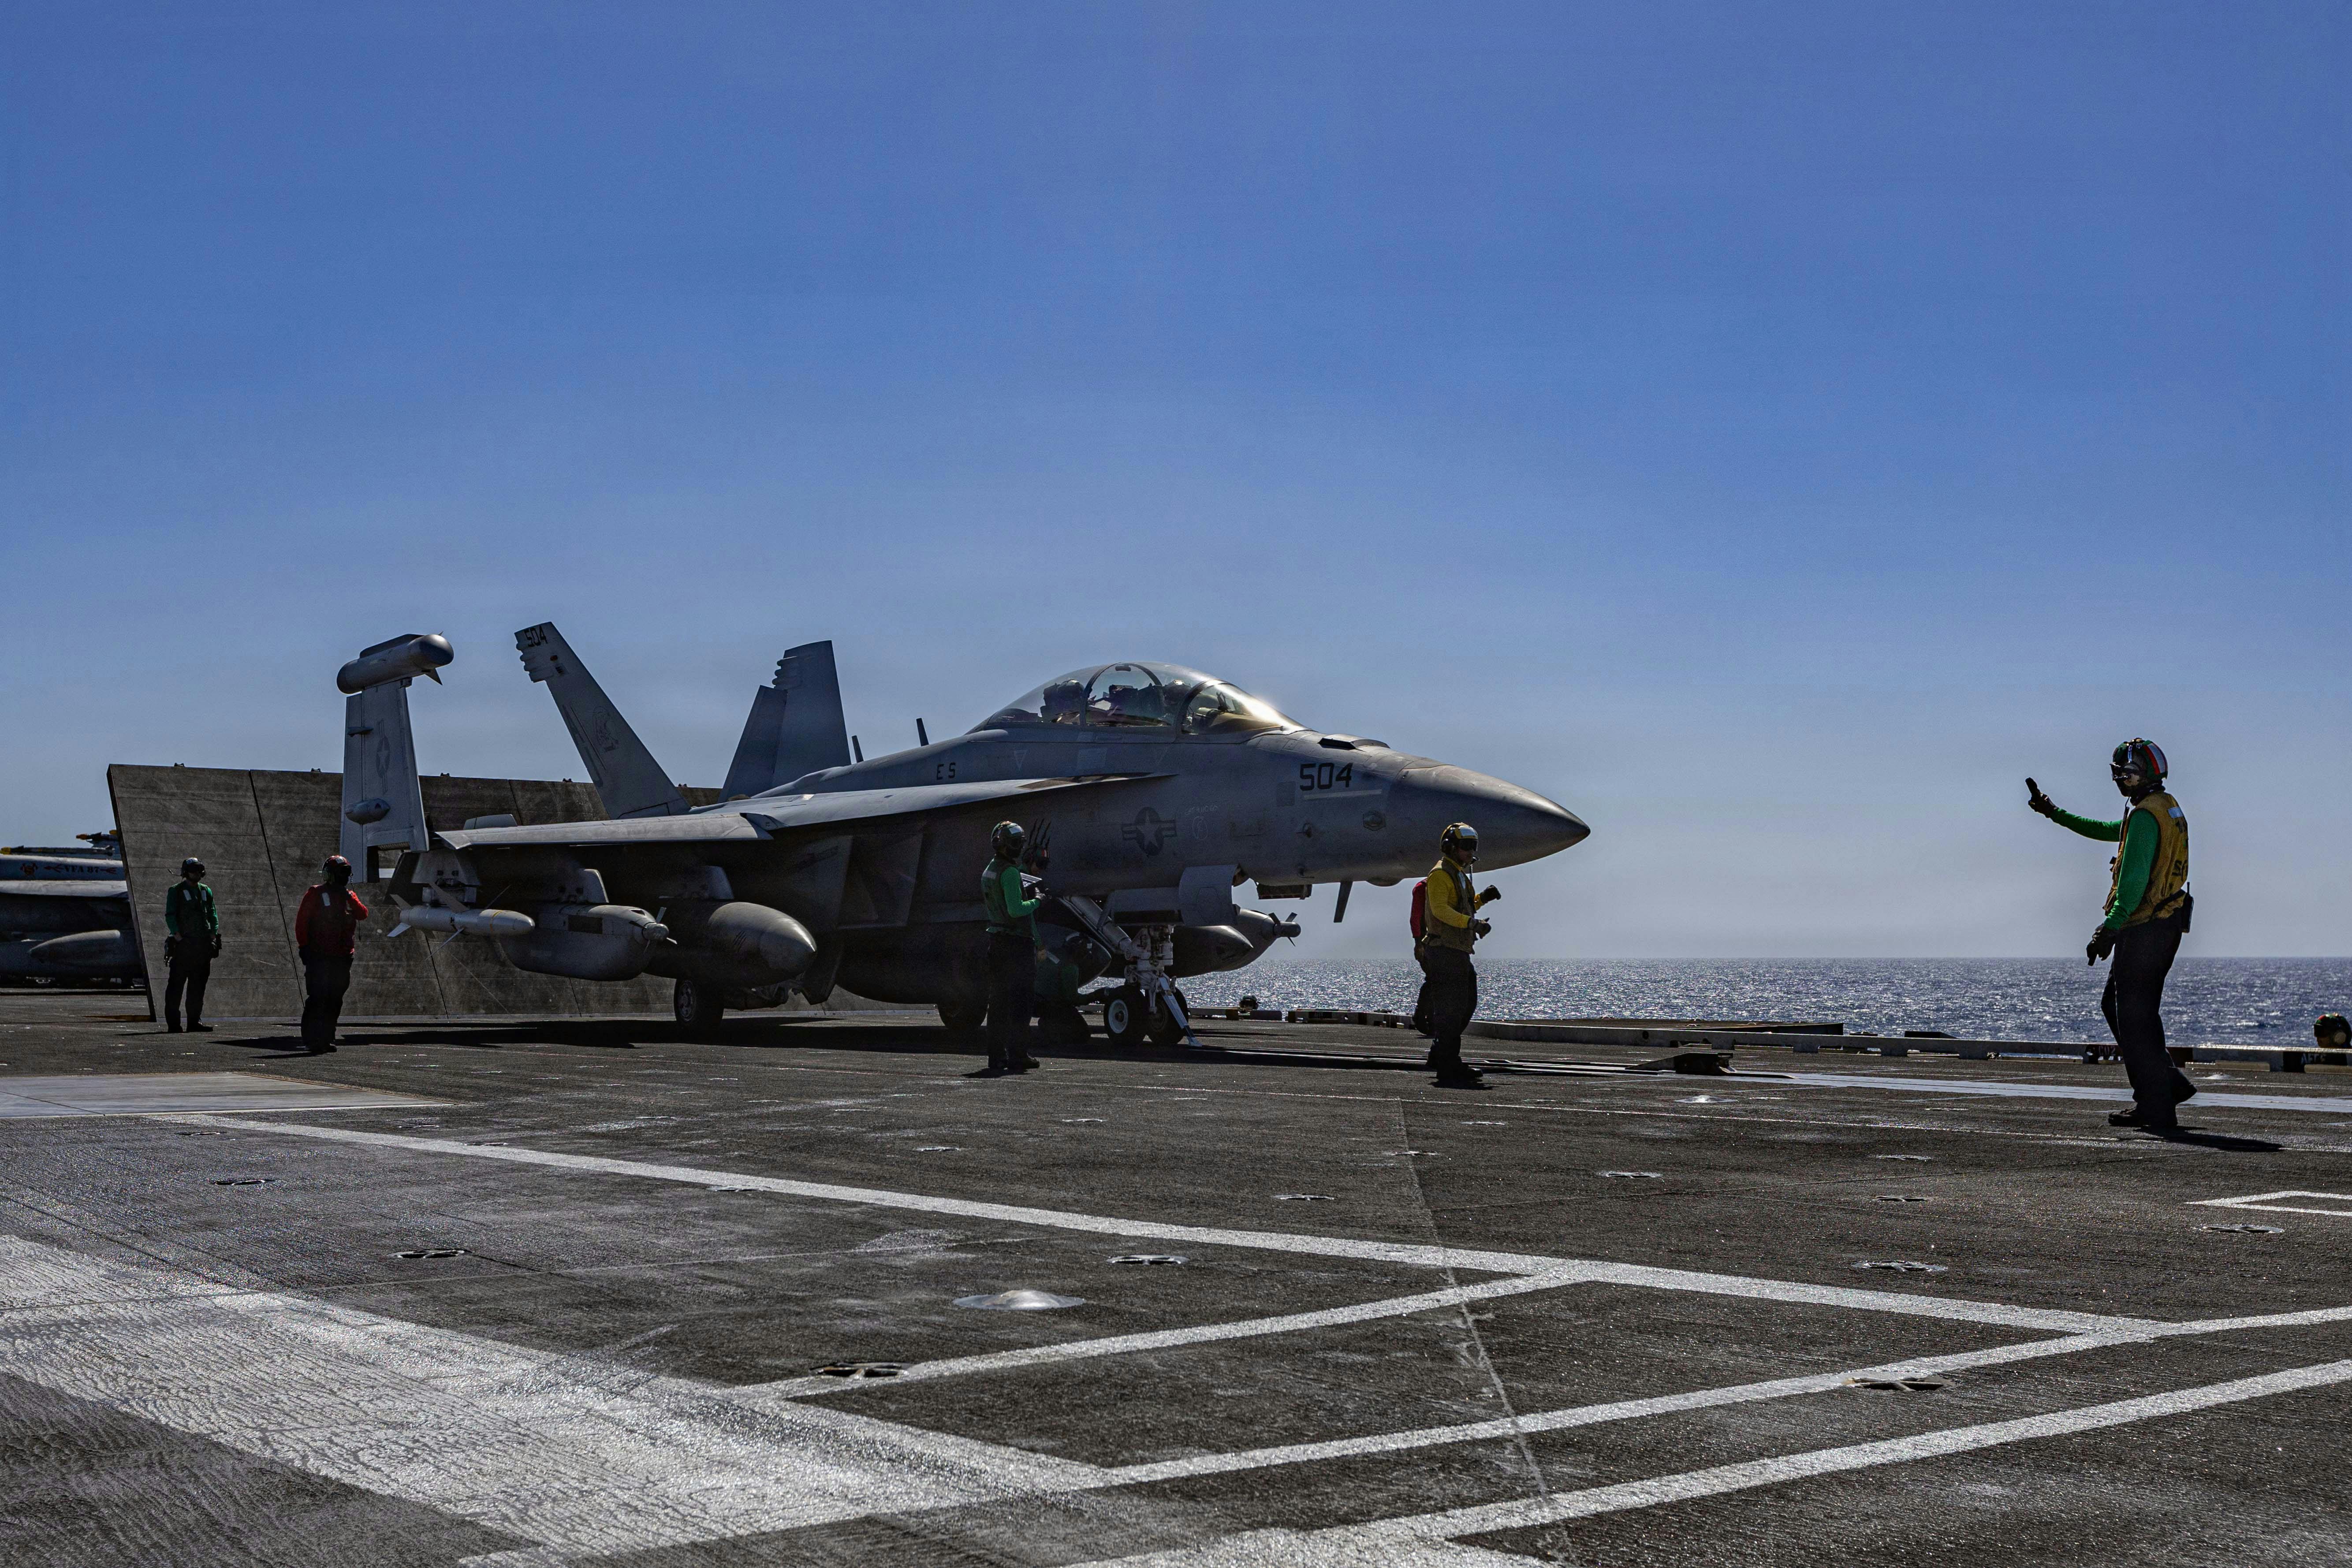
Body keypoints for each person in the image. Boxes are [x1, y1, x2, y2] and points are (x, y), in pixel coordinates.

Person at [2027, 739, 2196, 1133]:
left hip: (2146, 927)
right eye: (2119, 773)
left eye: (2128, 772)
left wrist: (2109, 927)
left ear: (2145, 773)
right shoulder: (2162, 806)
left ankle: (2156, 1105)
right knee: (2121, 1008)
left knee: (2135, 1018)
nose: (2122, 780)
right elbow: (2109, 831)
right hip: (2165, 923)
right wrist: (2053, 813)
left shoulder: (2144, 816)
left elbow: (2133, 882)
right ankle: (2167, 1083)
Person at [1420, 822, 1502, 1087]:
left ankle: (1446, 1056)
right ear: (1450, 848)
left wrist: (1483, 899)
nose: (1470, 852)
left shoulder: (1457, 874)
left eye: (1473, 847)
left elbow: (1464, 906)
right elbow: (1441, 910)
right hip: (1444, 951)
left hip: (1457, 951)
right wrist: (1472, 924)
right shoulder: (1441, 875)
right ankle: (1446, 1064)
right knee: (1452, 1009)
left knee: (1465, 1004)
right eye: (1466, 847)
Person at [978, 821, 1043, 1074]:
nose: (1019, 848)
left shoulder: (990, 870)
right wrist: (1037, 901)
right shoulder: (1011, 873)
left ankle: (996, 1058)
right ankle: (1018, 1055)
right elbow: (1017, 910)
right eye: (1016, 843)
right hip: (1016, 945)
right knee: (1022, 1003)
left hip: (997, 941)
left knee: (998, 1005)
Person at [293, 854, 367, 1054]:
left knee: (335, 998)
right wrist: (304, 947)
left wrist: (350, 898)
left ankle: (326, 1038)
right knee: (318, 997)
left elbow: (363, 914)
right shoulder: (316, 894)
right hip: (319, 956)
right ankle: (312, 1039)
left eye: (346, 873)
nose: (344, 877)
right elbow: (302, 922)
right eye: (340, 873)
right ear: (329, 875)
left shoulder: (348, 896)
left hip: (342, 957)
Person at [162, 856, 219, 1033]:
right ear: (186, 872)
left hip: (202, 946)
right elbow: (170, 915)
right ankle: (174, 1024)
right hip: (184, 945)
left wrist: (213, 933)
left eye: (199, 869)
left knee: (198, 986)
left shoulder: (206, 891)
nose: (198, 873)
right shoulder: (176, 891)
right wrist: (177, 935)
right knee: (176, 986)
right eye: (194, 869)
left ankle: (194, 1022)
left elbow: (213, 913)